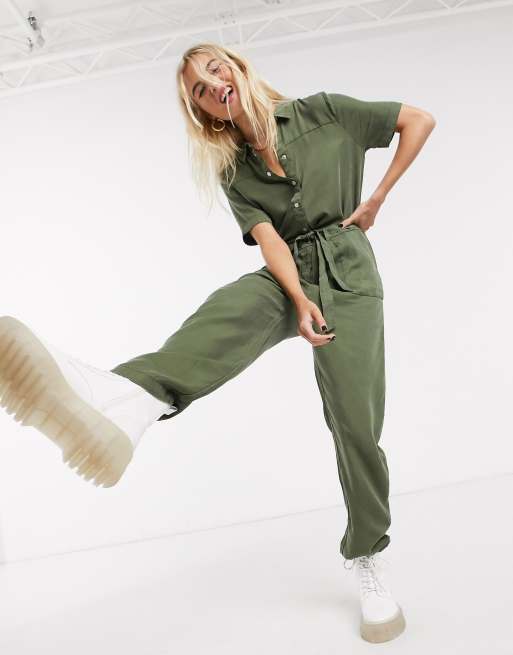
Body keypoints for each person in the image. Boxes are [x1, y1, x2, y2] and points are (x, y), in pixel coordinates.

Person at [0, 41, 435, 643]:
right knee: (228, 311)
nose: (211, 87)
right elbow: (270, 240)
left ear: (236, 67)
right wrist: (298, 299)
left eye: (214, 71)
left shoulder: (325, 112)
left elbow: (418, 120)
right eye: (199, 92)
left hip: (350, 271)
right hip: (290, 270)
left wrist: (376, 198)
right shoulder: (233, 171)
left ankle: (366, 556)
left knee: (355, 423)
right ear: (202, 111)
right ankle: (129, 400)